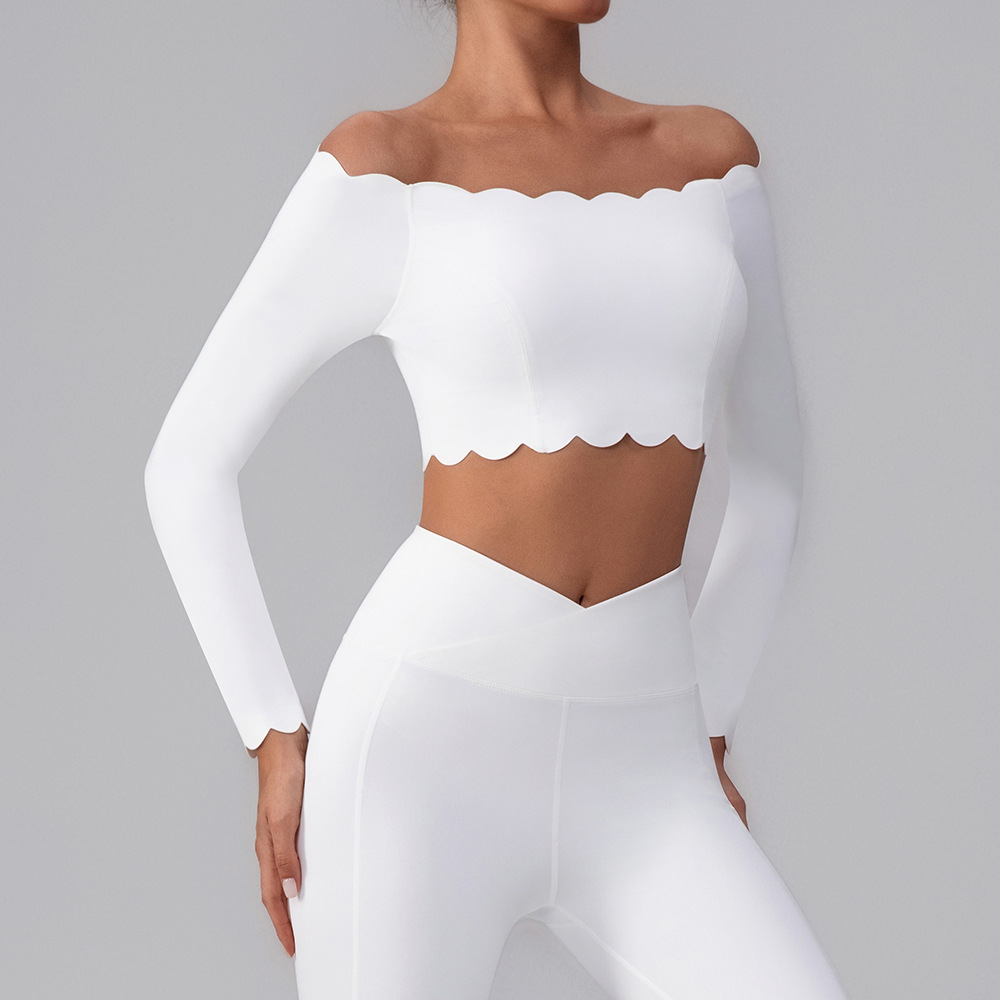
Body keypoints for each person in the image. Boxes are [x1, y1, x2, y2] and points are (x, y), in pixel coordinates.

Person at [144, 1, 852, 997]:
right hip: (422, 760)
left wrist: (712, 716)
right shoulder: (390, 165)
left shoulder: (710, 161)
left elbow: (775, 473)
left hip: (650, 762)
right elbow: (187, 461)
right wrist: (272, 733)